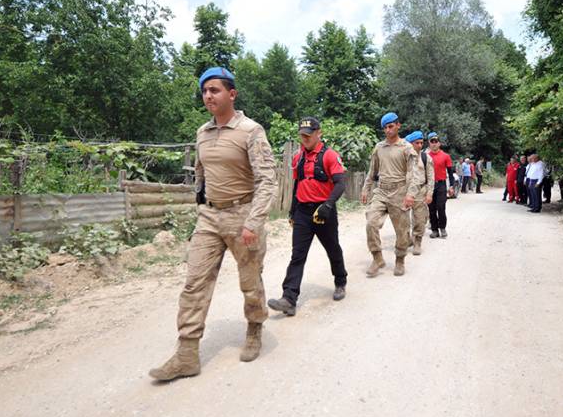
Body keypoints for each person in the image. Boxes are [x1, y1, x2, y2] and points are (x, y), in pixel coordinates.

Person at [150, 67, 277, 382]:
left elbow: (267, 180)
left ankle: (254, 328)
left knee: (250, 283)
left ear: (231, 94)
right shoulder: (202, 132)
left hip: (243, 215)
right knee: (195, 283)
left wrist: (253, 221)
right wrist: (200, 205)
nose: (208, 95)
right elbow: (201, 172)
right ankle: (187, 354)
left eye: (215, 90)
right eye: (205, 91)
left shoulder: (251, 130)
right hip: (209, 217)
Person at [266, 117, 348, 317]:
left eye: (308, 135)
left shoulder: (329, 156)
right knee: (297, 255)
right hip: (303, 212)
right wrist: (293, 211)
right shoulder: (298, 158)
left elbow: (340, 183)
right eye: (302, 135)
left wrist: (327, 206)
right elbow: (297, 185)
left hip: (324, 212)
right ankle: (289, 299)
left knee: (332, 249)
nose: (305, 139)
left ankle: (340, 281)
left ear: (318, 133)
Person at [360, 112, 423, 277]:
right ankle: (377, 258)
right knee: (371, 223)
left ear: (398, 126)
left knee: (402, 231)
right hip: (381, 191)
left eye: (391, 126)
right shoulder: (379, 147)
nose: (388, 130)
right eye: (385, 128)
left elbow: (415, 174)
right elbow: (372, 171)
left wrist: (411, 194)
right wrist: (366, 188)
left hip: (400, 192)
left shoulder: (406, 148)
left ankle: (400, 260)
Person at [403, 131, 433, 256]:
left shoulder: (426, 158)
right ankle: (406, 238)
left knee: (420, 219)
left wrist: (429, 193)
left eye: (421, 142)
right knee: (402, 219)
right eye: (417, 143)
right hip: (404, 191)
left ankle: (417, 242)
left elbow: (431, 176)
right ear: (410, 144)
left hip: (420, 191)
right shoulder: (402, 156)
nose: (420, 145)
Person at [425, 133, 456, 239]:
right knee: (431, 209)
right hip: (430, 185)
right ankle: (434, 230)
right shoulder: (426, 156)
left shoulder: (445, 156)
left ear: (439, 143)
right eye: (432, 142)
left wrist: (451, 186)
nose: (434, 144)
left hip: (441, 184)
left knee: (441, 207)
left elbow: (450, 173)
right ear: (429, 144)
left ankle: (442, 228)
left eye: (436, 142)